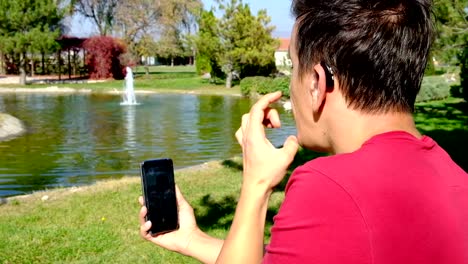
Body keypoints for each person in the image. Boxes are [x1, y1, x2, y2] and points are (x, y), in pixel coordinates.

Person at [139, 0, 468, 263]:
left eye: (293, 67)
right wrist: (192, 239)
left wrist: (256, 184)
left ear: (316, 83)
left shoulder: (328, 186)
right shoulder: (454, 176)